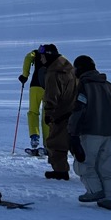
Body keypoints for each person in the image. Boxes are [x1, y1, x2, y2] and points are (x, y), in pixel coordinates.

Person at [68, 55, 111, 211]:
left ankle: (94, 191)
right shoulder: (110, 86)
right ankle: (110, 198)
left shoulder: (83, 86)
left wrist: (72, 134)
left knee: (84, 164)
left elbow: (78, 111)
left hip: (90, 132)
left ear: (80, 69)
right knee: (107, 166)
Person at [40, 48, 78, 180]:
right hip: (74, 112)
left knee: (55, 143)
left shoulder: (53, 73)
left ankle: (60, 170)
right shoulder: (71, 70)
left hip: (60, 113)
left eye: (42, 57)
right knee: (75, 143)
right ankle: (89, 170)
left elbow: (52, 95)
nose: (41, 59)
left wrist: (48, 113)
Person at [18, 46, 45, 156]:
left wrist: (25, 75)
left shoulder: (35, 53)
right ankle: (48, 143)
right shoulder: (57, 55)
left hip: (36, 85)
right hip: (51, 87)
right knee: (47, 113)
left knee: (33, 112)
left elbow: (28, 58)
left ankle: (34, 137)